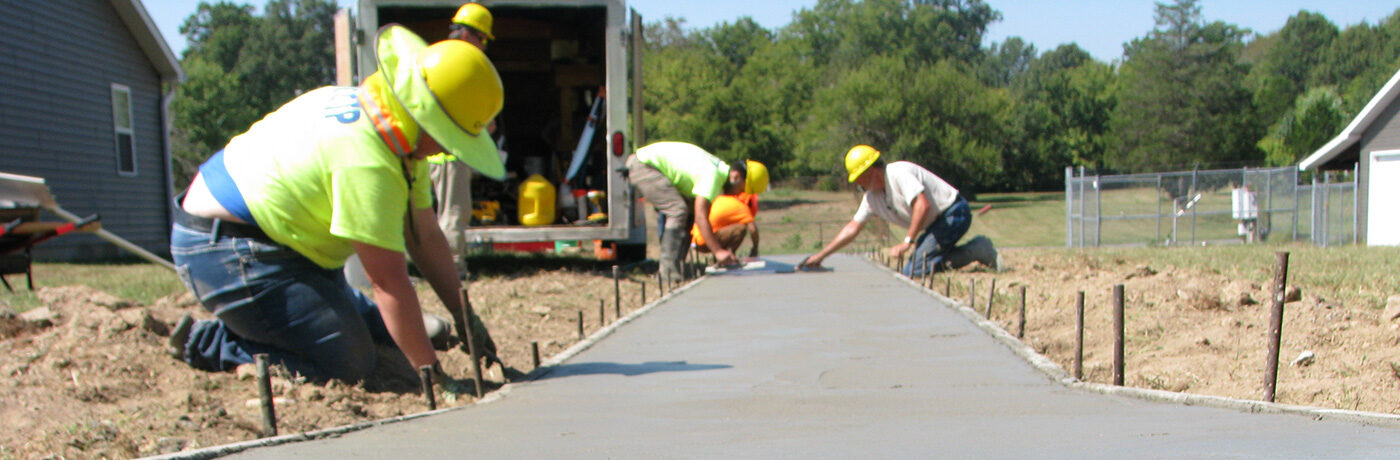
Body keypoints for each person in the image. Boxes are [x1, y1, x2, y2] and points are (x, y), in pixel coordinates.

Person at [168, 25, 504, 382]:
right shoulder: (367, 158)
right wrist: (435, 379)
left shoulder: (396, 128)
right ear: (430, 123)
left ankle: (331, 315)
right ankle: (214, 341)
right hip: (229, 250)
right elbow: (388, 282)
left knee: (425, 331)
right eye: (450, 139)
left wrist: (463, 314)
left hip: (290, 250)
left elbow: (423, 234)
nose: (449, 150)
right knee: (349, 362)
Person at [799, 145, 999, 276]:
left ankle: (977, 250)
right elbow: (853, 228)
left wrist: (907, 242)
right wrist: (820, 256)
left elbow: (923, 205)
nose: (858, 183)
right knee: (917, 265)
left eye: (858, 177)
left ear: (870, 171)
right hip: (935, 225)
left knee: (915, 269)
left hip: (953, 213)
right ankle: (975, 250)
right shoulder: (872, 197)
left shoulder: (897, 172)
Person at [626, 142, 765, 283]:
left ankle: (676, 266)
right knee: (678, 211)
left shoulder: (718, 171)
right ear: (735, 176)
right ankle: (667, 273)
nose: (739, 194)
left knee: (689, 212)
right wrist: (718, 251)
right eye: (742, 189)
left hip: (648, 163)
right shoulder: (712, 176)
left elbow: (697, 214)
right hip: (644, 165)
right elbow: (701, 217)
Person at [428, 2, 497, 275]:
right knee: (454, 213)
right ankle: (452, 268)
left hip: (428, 154)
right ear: (467, 34)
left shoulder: (438, 57)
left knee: (428, 216)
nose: (483, 46)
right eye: (481, 38)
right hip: (449, 154)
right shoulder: (462, 63)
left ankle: (435, 265)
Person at [690, 160, 768, 258]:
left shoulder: (716, 194)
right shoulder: (739, 207)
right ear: (736, 177)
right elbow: (753, 230)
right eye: (743, 189)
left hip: (694, 238)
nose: (741, 193)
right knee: (740, 228)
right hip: (703, 241)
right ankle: (726, 257)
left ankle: (719, 255)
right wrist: (755, 249)